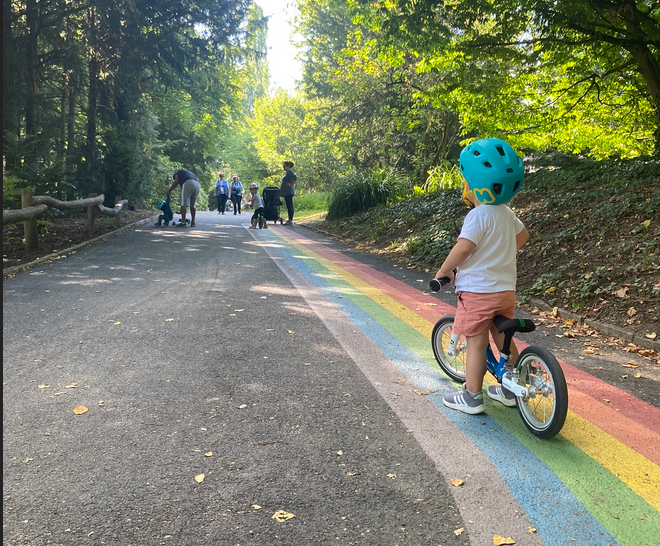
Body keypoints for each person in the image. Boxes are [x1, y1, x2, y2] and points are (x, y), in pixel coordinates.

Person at [434, 138, 529, 415]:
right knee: (504, 339)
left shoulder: (478, 215)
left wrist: (444, 272)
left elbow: (464, 248)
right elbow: (522, 236)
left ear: (473, 184)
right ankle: (511, 390)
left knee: (475, 342)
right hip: (505, 291)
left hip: (477, 292)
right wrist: (500, 253)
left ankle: (472, 396)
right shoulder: (506, 213)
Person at [279, 161, 297, 225]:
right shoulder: (287, 173)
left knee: (289, 205)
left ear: (288, 166)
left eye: (285, 166)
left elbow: (295, 177)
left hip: (289, 192)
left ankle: (290, 220)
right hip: (286, 192)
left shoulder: (290, 172)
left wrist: (291, 184)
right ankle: (290, 219)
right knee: (288, 205)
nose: (283, 167)